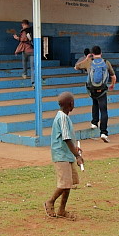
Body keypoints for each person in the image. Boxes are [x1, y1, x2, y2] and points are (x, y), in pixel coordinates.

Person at [44, 91, 84, 220]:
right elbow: (66, 138)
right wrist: (77, 155)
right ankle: (50, 201)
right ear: (71, 104)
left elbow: (67, 139)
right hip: (61, 155)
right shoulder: (62, 118)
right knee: (64, 183)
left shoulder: (64, 117)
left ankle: (62, 210)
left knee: (69, 183)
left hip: (67, 155)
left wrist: (75, 150)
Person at [75, 45, 116, 143]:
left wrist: (86, 59)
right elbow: (113, 76)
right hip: (102, 89)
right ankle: (103, 133)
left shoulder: (89, 62)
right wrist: (112, 85)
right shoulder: (106, 63)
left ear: (92, 54)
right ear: (101, 53)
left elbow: (76, 67)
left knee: (95, 103)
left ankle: (94, 122)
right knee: (103, 110)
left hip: (92, 89)